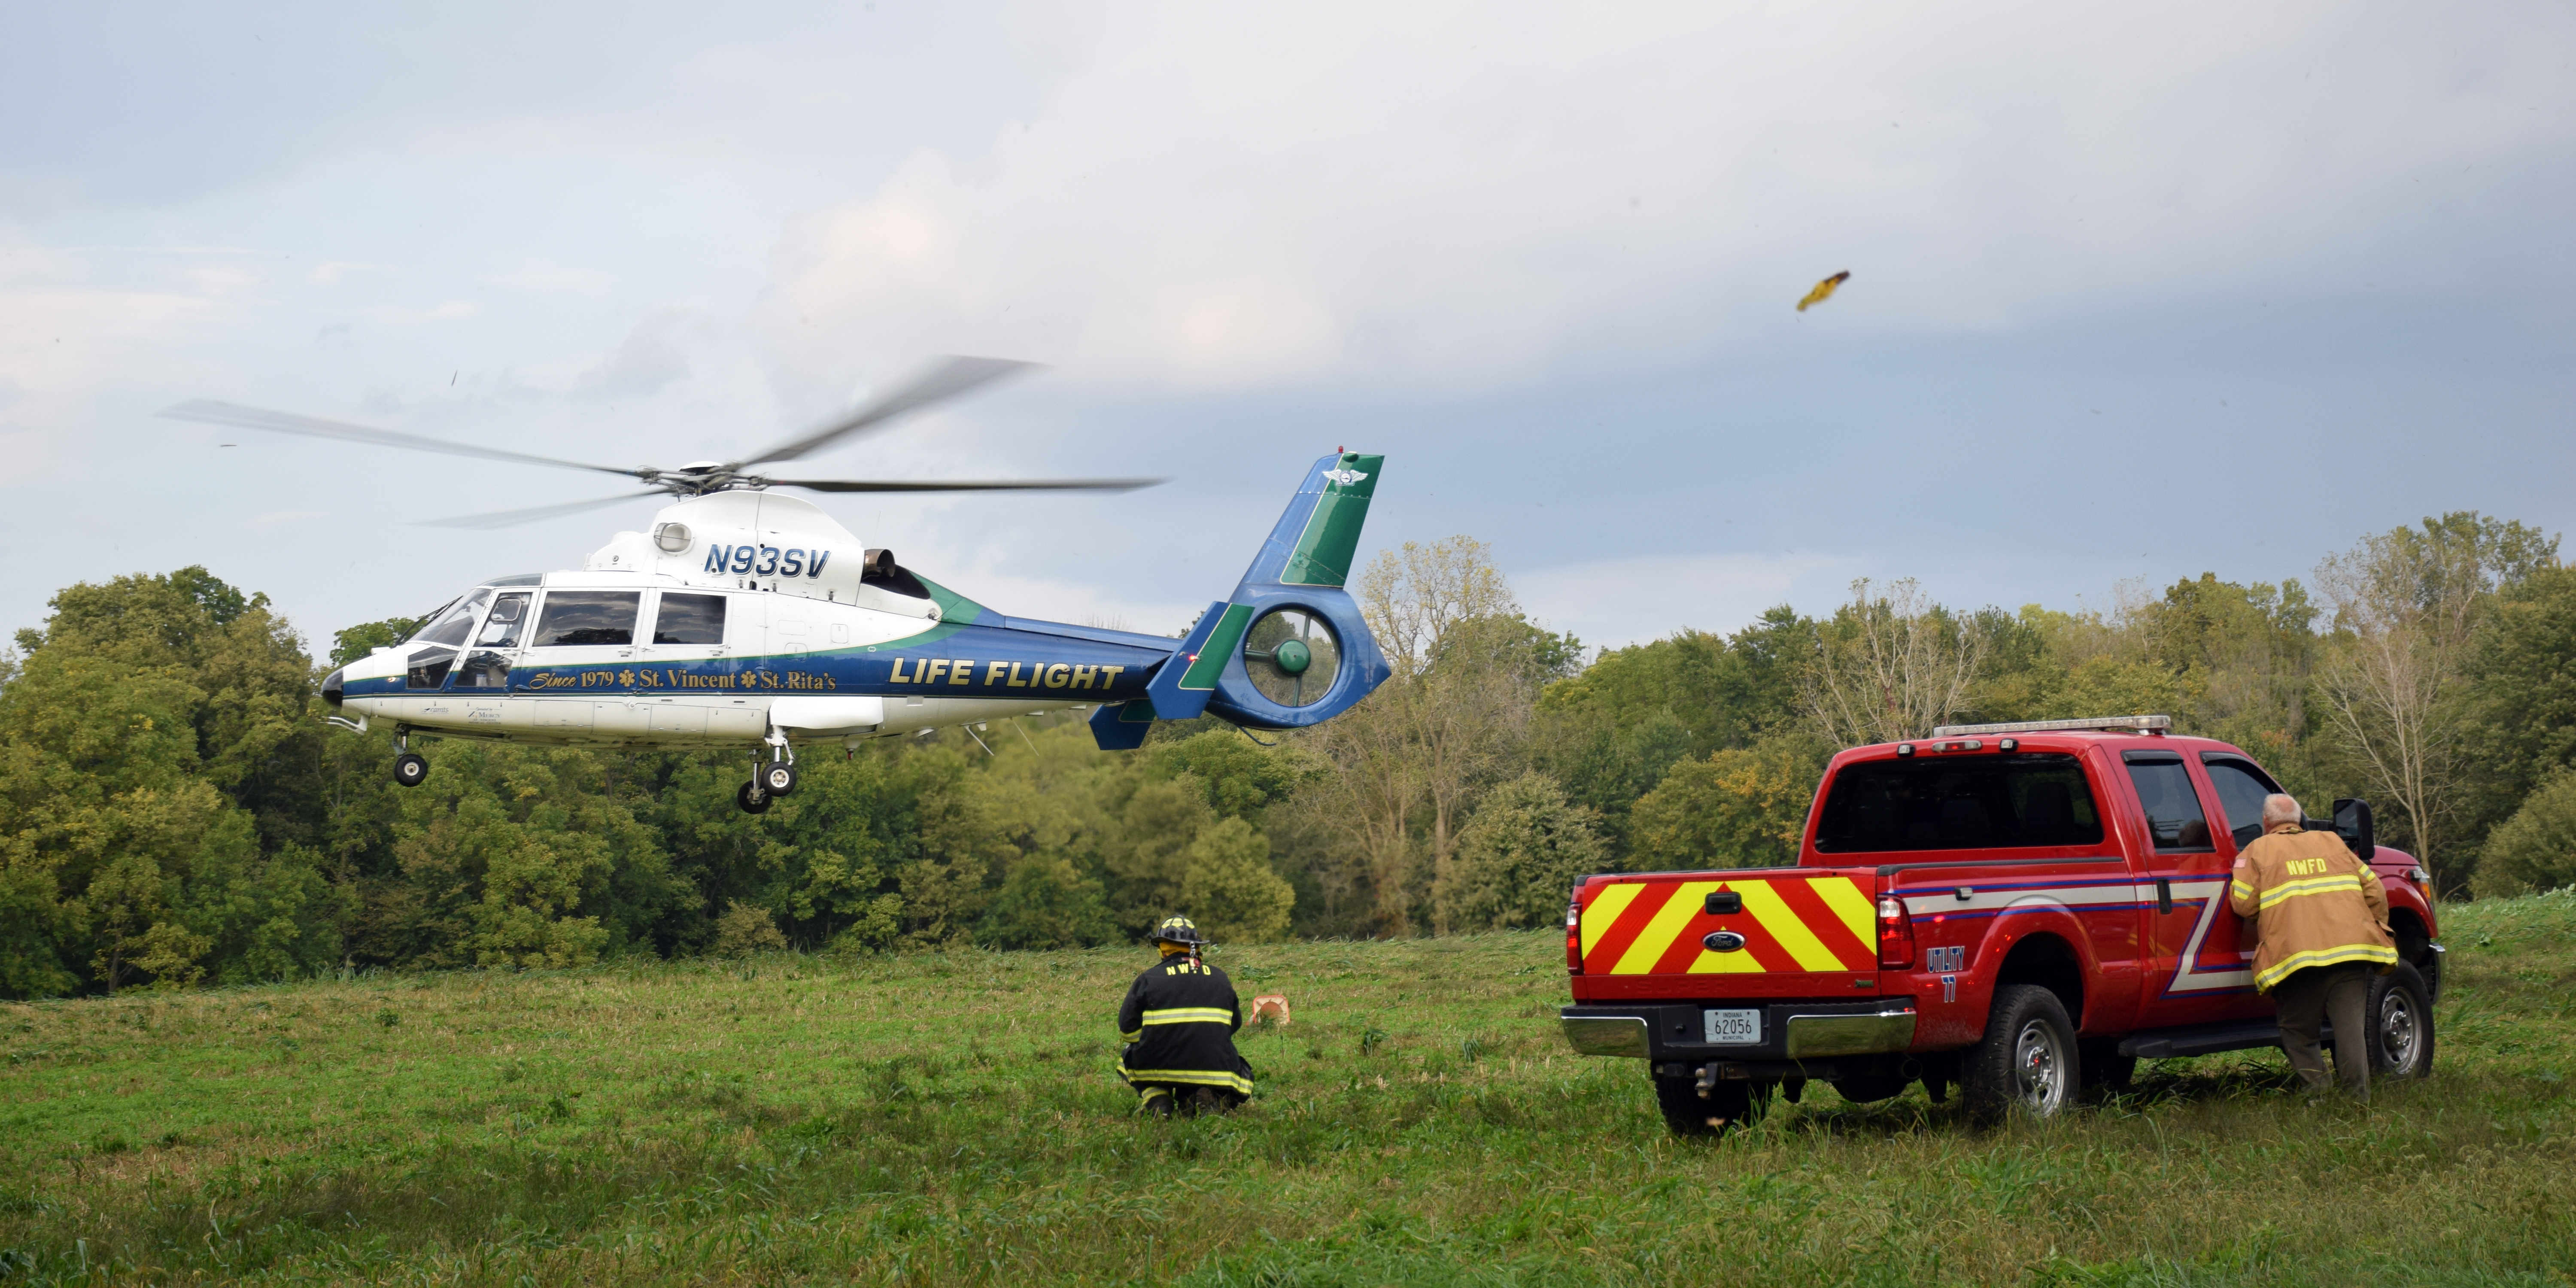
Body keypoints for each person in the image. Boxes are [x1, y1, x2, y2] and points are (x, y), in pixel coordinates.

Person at [2229, 793, 2400, 1101]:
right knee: (2350, 1031)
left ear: (2266, 823)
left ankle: (2318, 1091)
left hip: (2299, 957)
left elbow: (2242, 904)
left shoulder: (2257, 850)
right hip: (2352, 952)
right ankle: (2357, 1099)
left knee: (2297, 1030)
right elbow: (2374, 889)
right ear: (2299, 819)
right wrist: (2377, 928)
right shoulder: (2333, 842)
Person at [1117, 916, 1255, 1119]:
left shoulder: (1149, 979)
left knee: (1126, 1057)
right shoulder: (1220, 978)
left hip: (1157, 1065)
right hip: (1214, 1068)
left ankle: (1158, 1099)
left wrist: (1156, 1040)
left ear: (1163, 948)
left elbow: (1127, 1031)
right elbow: (1233, 1026)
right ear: (1197, 948)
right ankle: (1201, 1096)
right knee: (1237, 1070)